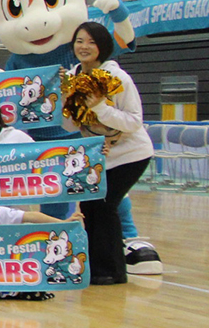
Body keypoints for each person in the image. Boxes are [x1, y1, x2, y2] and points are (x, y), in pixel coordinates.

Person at [61, 21, 152, 285]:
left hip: (131, 154)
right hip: (100, 155)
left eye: (91, 41)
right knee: (90, 207)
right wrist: (65, 100)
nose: (84, 46)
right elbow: (69, 126)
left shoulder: (117, 77)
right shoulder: (73, 77)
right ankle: (96, 269)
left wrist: (100, 107)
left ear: (102, 46)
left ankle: (112, 271)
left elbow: (134, 121)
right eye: (79, 41)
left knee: (105, 205)